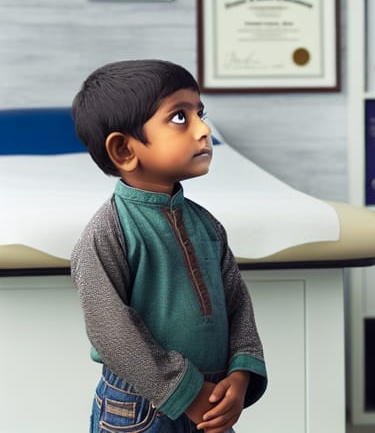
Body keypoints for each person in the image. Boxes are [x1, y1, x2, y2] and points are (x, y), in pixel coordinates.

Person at [70, 59, 267, 433]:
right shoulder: (107, 233)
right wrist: (185, 393)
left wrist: (242, 372)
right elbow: (111, 332)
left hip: (211, 404)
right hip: (138, 410)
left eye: (200, 113)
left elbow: (237, 304)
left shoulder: (207, 225)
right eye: (180, 117)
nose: (203, 130)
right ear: (124, 150)